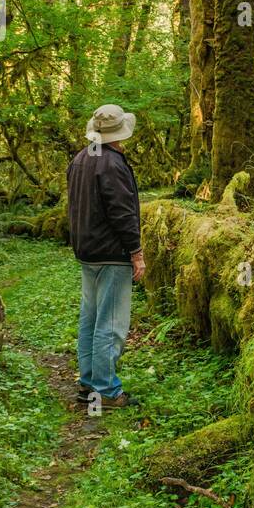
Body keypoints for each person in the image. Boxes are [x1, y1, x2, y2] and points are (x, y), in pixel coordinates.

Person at [67, 104, 146, 409]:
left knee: (90, 318)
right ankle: (106, 390)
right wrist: (136, 253)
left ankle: (89, 383)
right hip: (112, 253)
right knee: (110, 323)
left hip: (87, 251)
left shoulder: (81, 158)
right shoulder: (112, 163)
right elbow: (122, 213)